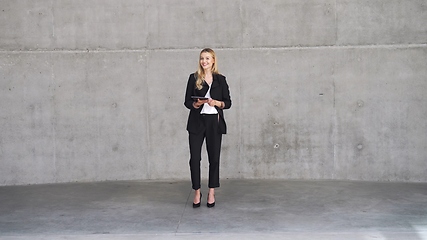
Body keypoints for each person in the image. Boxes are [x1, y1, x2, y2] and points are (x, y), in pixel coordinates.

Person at [184, 48, 232, 208]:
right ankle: (197, 191)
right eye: (201, 58)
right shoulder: (193, 78)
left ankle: (212, 191)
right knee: (195, 159)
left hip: (214, 122)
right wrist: (196, 104)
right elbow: (186, 102)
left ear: (213, 61)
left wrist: (217, 103)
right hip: (197, 121)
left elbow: (228, 103)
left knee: (214, 158)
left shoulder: (221, 79)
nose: (204, 61)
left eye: (207, 58)